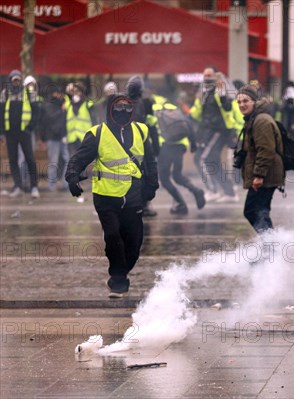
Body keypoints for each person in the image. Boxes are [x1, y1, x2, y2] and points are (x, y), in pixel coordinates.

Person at [65, 93, 159, 298]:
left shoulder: (141, 131)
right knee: (113, 235)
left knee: (133, 244)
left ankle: (120, 272)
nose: (123, 111)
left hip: (133, 196)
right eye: (118, 107)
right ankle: (118, 280)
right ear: (109, 110)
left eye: (127, 107)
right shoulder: (97, 133)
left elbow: (150, 161)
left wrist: (152, 185)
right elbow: (78, 159)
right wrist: (72, 177)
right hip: (105, 196)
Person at [235, 85, 284, 233]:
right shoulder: (254, 118)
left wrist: (259, 175)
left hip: (266, 175)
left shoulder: (261, 121)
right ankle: (271, 247)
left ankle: (271, 245)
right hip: (265, 174)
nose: (242, 105)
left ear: (255, 101)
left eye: (246, 101)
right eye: (239, 102)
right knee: (260, 211)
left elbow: (266, 149)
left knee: (252, 210)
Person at [191, 67, 238, 203]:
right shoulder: (204, 92)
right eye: (205, 75)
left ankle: (213, 190)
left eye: (210, 75)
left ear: (216, 76)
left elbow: (228, 107)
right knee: (212, 160)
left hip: (219, 130)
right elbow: (197, 114)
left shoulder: (220, 89)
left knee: (202, 158)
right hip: (207, 131)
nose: (207, 77)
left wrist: (222, 94)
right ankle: (229, 192)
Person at [155, 101, 206, 215]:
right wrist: (192, 143)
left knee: (164, 179)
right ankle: (196, 190)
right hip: (180, 145)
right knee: (177, 175)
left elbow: (152, 130)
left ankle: (181, 204)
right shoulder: (173, 109)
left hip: (165, 146)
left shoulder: (155, 110)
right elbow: (188, 123)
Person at [0, 69, 41, 198]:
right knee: (13, 160)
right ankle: (18, 186)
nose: (16, 82)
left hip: (25, 132)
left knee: (30, 158)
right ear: (10, 81)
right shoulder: (4, 94)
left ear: (21, 81)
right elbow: (1, 114)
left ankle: (34, 187)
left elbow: (36, 112)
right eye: (14, 80)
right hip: (10, 133)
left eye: (18, 80)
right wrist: (1, 132)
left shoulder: (30, 93)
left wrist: (30, 127)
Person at [126, 75, 161, 216]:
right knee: (144, 174)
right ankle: (143, 204)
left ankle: (141, 204)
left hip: (131, 144)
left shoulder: (125, 102)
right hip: (140, 144)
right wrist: (156, 145)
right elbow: (152, 126)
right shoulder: (146, 102)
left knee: (137, 174)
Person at [40, 85, 69, 191]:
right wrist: (62, 111)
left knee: (66, 160)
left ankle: (65, 183)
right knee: (53, 162)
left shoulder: (63, 104)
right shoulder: (49, 105)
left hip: (63, 136)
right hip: (53, 138)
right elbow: (49, 120)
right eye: (58, 93)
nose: (60, 95)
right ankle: (52, 185)